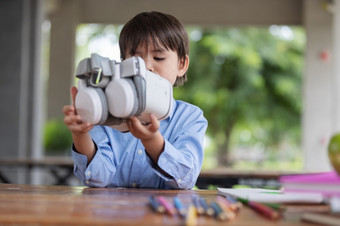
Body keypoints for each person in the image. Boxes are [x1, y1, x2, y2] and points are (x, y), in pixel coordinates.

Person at [63, 11, 208, 189]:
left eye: (159, 57)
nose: (146, 66)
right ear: (122, 63)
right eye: (135, 60)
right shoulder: (108, 112)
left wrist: (152, 140)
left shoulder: (189, 118)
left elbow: (186, 178)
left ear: (182, 65)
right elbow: (98, 178)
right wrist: (81, 134)